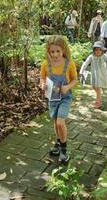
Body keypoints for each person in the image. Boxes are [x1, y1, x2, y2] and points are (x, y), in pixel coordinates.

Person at [39, 36, 78, 164]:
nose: (55, 55)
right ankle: (58, 142)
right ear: (48, 52)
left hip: (65, 97)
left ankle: (64, 149)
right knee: (56, 123)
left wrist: (67, 87)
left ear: (63, 50)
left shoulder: (69, 63)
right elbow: (42, 78)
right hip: (53, 96)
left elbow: (75, 80)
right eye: (52, 52)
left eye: (58, 51)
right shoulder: (46, 64)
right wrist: (42, 84)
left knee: (61, 123)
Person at [79, 41, 107, 109]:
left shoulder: (103, 56)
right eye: (96, 50)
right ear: (94, 50)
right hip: (94, 74)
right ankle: (99, 95)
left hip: (101, 74)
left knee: (98, 88)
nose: (98, 51)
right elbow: (85, 63)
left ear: (102, 50)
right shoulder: (91, 57)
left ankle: (98, 102)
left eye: (100, 50)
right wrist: (81, 71)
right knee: (94, 86)